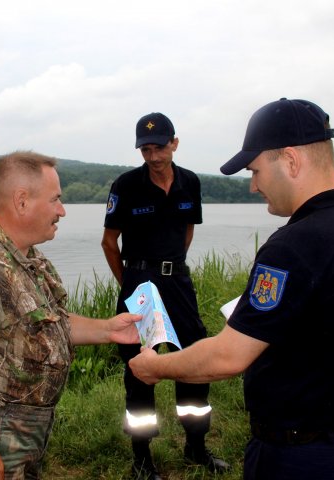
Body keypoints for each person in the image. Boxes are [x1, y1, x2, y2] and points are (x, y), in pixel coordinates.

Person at [129, 98, 334, 480]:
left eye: (255, 170)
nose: (254, 186)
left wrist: (156, 367)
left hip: (301, 455)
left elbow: (227, 357)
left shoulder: (294, 245)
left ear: (290, 160)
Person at [0, 150, 141, 480]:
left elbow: (52, 324)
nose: (62, 211)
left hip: (23, 434)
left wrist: (110, 329)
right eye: (55, 200)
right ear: (22, 201)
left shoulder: (30, 259)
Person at [101, 112, 228, 480]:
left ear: (175, 143)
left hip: (178, 281)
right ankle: (142, 460)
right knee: (141, 370)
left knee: (194, 361)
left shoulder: (190, 183)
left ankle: (196, 447)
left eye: (159, 147)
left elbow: (187, 232)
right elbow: (110, 243)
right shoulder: (126, 185)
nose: (153, 156)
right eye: (146, 149)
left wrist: (173, 267)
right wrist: (131, 283)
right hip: (140, 282)